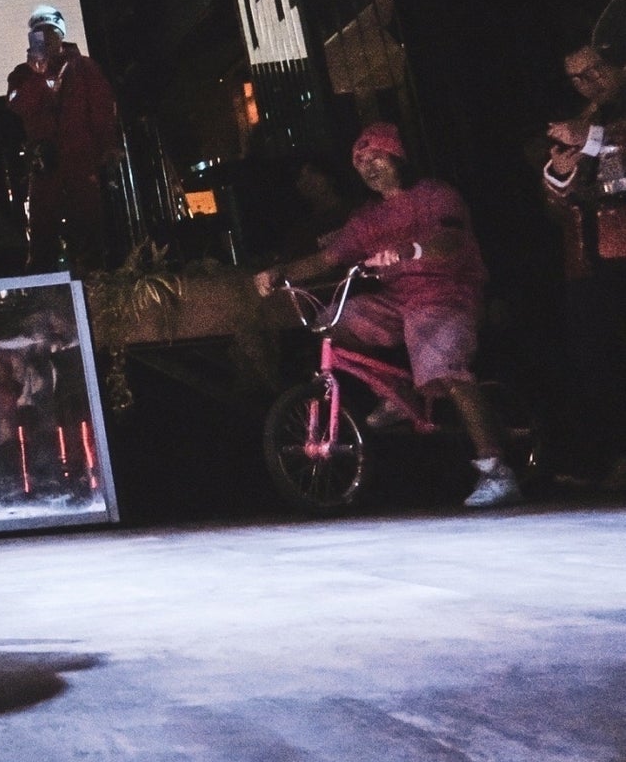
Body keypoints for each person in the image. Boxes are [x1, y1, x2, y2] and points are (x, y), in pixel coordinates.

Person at [253, 122, 520, 508]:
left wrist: (409, 251)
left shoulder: (433, 194)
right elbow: (328, 258)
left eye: (376, 156)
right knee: (332, 323)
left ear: (398, 156)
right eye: (360, 162)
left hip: (448, 296)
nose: (368, 166)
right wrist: (282, 272)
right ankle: (397, 392)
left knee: (443, 365)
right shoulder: (368, 217)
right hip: (398, 301)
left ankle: (497, 471)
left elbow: (450, 239)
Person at [541, 44, 626, 487]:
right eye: (577, 77)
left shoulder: (595, 126)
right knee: (601, 365)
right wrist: (559, 172)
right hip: (588, 261)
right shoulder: (584, 121)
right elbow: (555, 207)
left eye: (595, 69)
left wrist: (590, 138)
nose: (588, 82)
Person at [5, 5, 121, 271]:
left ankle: (94, 281)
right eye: (38, 33)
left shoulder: (84, 68)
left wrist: (108, 148)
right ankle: (43, 285)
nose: (44, 38)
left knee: (89, 229)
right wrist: (37, 75)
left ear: (61, 34)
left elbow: (103, 110)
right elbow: (17, 105)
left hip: (80, 161)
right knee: (42, 233)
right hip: (45, 165)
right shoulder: (22, 74)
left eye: (50, 32)